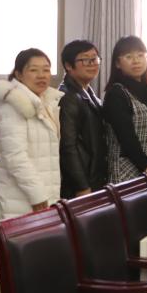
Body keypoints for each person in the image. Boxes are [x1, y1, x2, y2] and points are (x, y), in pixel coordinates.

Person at [0, 48, 62, 293]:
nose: (42, 75)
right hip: (21, 197)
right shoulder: (12, 107)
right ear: (19, 74)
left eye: (46, 70)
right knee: (14, 262)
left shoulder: (45, 102)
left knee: (35, 260)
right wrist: (39, 195)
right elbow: (15, 157)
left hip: (42, 194)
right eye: (33, 70)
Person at [103, 35, 147, 185]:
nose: (136, 61)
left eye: (140, 55)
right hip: (125, 172)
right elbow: (127, 138)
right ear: (117, 63)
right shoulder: (116, 93)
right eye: (128, 56)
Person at [57, 39, 107, 197]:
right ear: (68, 65)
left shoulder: (87, 92)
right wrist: (82, 185)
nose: (92, 64)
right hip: (82, 184)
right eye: (85, 60)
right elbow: (68, 146)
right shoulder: (68, 97)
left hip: (94, 177)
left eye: (95, 59)